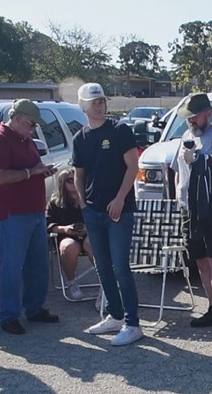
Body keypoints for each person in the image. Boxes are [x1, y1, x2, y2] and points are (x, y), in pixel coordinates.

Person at [72, 83, 143, 345]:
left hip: (119, 212)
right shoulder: (80, 138)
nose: (99, 106)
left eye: (101, 101)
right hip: (93, 211)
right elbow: (79, 175)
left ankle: (133, 323)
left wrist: (120, 198)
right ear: (83, 106)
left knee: (121, 267)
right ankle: (114, 315)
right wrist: (83, 204)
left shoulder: (119, 130)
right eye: (94, 102)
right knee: (103, 267)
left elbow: (132, 165)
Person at [0, 99, 59, 335]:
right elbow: (0, 177)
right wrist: (31, 172)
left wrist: (42, 169)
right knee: (12, 266)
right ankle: (9, 316)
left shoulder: (26, 140)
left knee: (38, 264)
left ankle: (34, 308)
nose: (33, 129)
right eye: (30, 124)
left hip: (36, 210)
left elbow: (34, 166)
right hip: (13, 214)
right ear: (16, 119)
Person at [171, 92, 212, 341]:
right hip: (190, 209)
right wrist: (179, 196)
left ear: (208, 113)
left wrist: (202, 158)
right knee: (199, 261)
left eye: (195, 116)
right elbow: (178, 170)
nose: (191, 121)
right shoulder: (186, 136)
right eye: (188, 117)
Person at [45, 167, 93, 301]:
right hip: (66, 235)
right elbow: (48, 225)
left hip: (89, 234)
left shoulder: (90, 198)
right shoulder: (55, 203)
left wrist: (88, 229)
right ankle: (72, 283)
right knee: (68, 247)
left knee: (93, 243)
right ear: (62, 183)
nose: (74, 182)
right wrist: (65, 229)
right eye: (69, 180)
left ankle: (106, 283)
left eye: (76, 179)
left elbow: (100, 219)